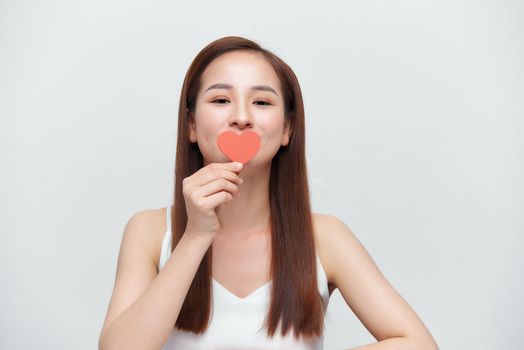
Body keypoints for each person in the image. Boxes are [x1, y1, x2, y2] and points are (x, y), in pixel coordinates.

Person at [98, 36, 439, 350]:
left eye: (261, 101)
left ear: (288, 128)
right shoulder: (149, 231)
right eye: (220, 99)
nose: (242, 117)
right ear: (190, 124)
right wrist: (195, 236)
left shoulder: (325, 237)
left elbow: (418, 343)